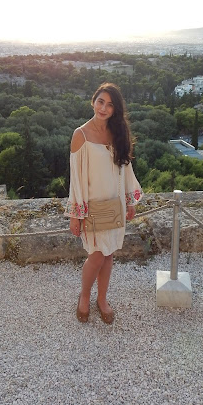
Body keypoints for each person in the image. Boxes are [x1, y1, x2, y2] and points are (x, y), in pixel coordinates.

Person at [65, 83, 143, 324]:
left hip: (116, 205)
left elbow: (125, 168)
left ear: (115, 109)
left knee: (108, 255)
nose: (104, 108)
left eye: (110, 105)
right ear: (93, 101)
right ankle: (84, 296)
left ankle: (102, 299)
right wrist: (76, 214)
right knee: (97, 255)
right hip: (92, 208)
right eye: (101, 101)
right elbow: (76, 178)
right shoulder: (81, 135)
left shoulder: (118, 132)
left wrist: (130, 201)